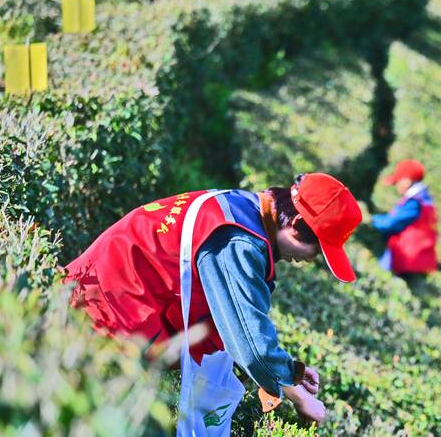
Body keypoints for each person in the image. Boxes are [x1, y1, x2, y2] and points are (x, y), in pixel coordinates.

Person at [65, 173, 362, 424]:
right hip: (102, 312)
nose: (309, 260)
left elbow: (231, 315)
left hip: (101, 294)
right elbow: (247, 337)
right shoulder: (237, 241)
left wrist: (290, 370)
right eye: (317, 250)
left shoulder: (243, 205)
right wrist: (297, 394)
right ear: (296, 225)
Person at [370, 159, 438, 278]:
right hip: (419, 259)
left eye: (397, 182)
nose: (396, 186)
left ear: (407, 180)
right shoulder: (424, 199)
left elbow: (391, 223)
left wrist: (370, 220)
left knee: (380, 275)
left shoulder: (414, 203)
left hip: (408, 258)